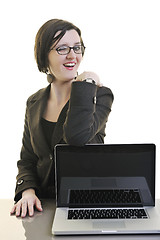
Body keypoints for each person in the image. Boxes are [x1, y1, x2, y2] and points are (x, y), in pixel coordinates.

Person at [10, 19, 114, 218]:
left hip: (86, 205)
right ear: (44, 55)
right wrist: (28, 191)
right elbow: (28, 159)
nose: (72, 55)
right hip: (42, 208)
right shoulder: (34, 102)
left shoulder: (99, 96)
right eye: (62, 48)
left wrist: (86, 83)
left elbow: (76, 137)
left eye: (77, 47)